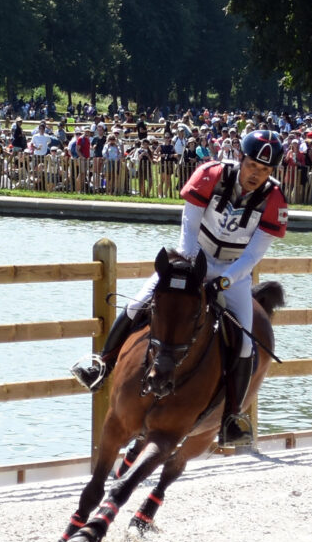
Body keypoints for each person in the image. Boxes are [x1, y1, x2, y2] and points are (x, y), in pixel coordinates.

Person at [69, 129, 289, 446]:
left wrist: (224, 281)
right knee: (138, 304)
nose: (257, 174)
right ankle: (102, 364)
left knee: (242, 342)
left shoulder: (275, 199)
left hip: (234, 271)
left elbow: (254, 255)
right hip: (191, 257)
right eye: (253, 165)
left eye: (265, 170)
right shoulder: (210, 174)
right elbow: (189, 225)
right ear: (241, 158)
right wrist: (189, 267)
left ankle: (231, 418)